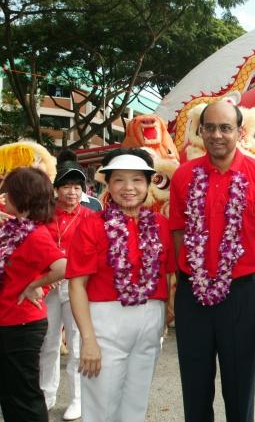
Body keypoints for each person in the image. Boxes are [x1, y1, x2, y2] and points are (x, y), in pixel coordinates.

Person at [169, 100, 255, 422]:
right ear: (200, 131)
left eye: (225, 128)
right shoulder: (184, 176)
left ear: (239, 132)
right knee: (195, 384)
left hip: (241, 295)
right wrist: (182, 283)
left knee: (239, 385)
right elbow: (178, 231)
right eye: (210, 128)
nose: (217, 135)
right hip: (193, 293)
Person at [66, 148, 175, 422]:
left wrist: (166, 313)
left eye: (137, 180)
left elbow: (170, 275)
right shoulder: (92, 225)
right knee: (102, 406)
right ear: (109, 185)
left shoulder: (161, 225)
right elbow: (77, 285)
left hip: (149, 320)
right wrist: (87, 340)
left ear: (149, 185)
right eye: (119, 180)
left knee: (136, 404)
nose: (129, 188)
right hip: (105, 322)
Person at [0, 167, 67, 422]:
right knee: (10, 393)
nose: (5, 197)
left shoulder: (35, 234)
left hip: (22, 324)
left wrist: (34, 284)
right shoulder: (12, 227)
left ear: (23, 196)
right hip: (8, 320)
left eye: (9, 192)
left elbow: (63, 266)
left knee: (24, 396)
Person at [39, 159, 93, 420]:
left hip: (76, 287)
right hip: (48, 286)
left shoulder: (91, 216)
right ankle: (47, 395)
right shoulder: (44, 214)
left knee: (76, 344)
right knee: (48, 342)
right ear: (56, 189)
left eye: (77, 187)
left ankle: (77, 399)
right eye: (67, 187)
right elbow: (36, 248)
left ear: (83, 191)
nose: (72, 192)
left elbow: (93, 252)